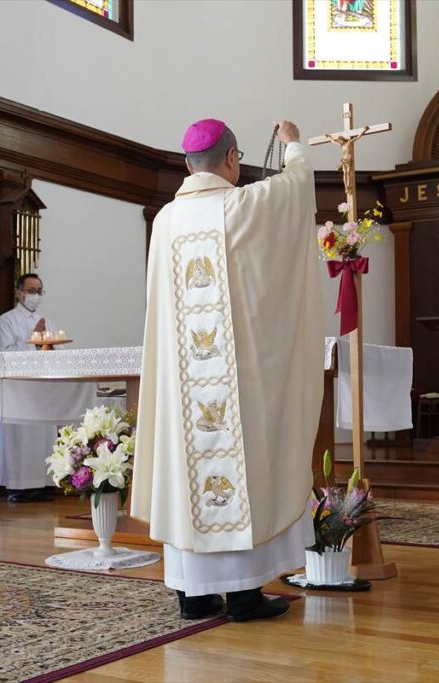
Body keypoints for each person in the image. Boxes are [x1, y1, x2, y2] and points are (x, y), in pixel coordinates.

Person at [131, 118, 323, 622]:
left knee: (186, 473)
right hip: (234, 385)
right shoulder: (243, 205)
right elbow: (297, 186)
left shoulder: (166, 220)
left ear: (187, 163)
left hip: (183, 389)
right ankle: (242, 596)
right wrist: (292, 145)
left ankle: (192, 595)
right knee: (242, 465)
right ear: (233, 159)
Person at [0, 273, 58, 503]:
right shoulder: (7, 320)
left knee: (42, 438)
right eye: (31, 290)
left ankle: (43, 484)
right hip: (18, 391)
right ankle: (18, 487)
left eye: (39, 291)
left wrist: (46, 345)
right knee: (20, 438)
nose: (35, 295)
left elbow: (53, 351)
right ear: (19, 292)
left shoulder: (47, 321)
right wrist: (32, 340)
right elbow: (2, 353)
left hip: (41, 390)